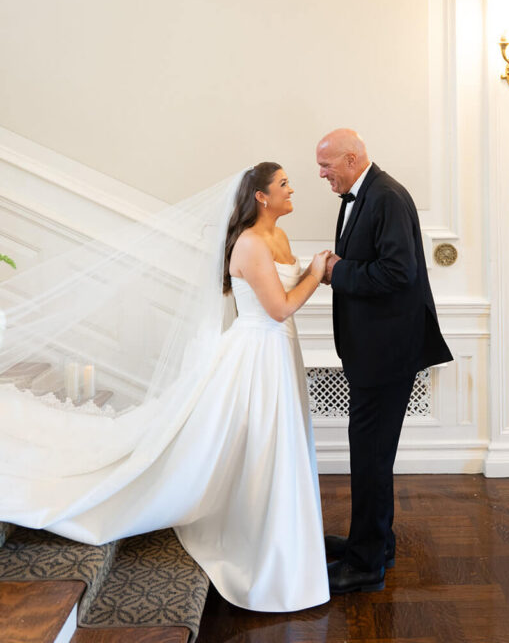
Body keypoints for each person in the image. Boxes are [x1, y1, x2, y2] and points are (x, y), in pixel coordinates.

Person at [0, 163, 331, 612]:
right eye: (284, 184)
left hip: (279, 354)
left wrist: (312, 270)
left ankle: (283, 540)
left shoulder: (279, 238)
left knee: (275, 447)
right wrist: (315, 272)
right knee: (260, 446)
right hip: (257, 355)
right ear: (260, 197)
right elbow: (278, 308)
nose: (293, 189)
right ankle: (263, 545)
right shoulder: (251, 244)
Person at [316, 129, 453, 594]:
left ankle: (367, 563)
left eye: (327, 165)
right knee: (371, 455)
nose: (321, 174)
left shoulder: (388, 196)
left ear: (353, 159)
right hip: (372, 348)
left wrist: (337, 271)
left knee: (370, 457)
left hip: (386, 351)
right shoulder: (364, 192)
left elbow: (399, 271)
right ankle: (373, 542)